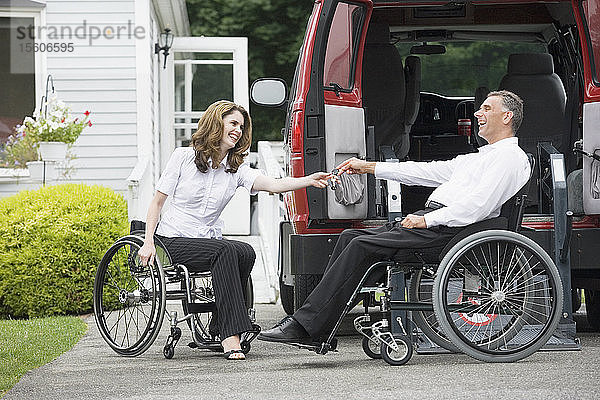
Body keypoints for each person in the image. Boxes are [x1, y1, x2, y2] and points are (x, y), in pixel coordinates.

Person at [258, 90, 532, 345]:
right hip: (439, 222)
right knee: (350, 237)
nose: (477, 114)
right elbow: (425, 172)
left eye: (486, 108)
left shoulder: (509, 158)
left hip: (449, 230)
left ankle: (305, 326)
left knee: (359, 246)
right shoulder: (482, 157)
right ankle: (318, 328)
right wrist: (369, 167)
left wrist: (427, 220)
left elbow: (479, 206)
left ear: (506, 117)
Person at [138, 100, 330, 360]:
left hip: (207, 241)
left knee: (245, 252)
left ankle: (220, 325)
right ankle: (231, 336)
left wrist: (308, 180)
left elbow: (273, 185)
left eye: (241, 126)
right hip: (173, 240)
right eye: (233, 123)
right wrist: (148, 241)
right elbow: (157, 202)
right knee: (225, 250)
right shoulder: (182, 157)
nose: (238, 130)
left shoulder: (235, 168)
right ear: (216, 123)